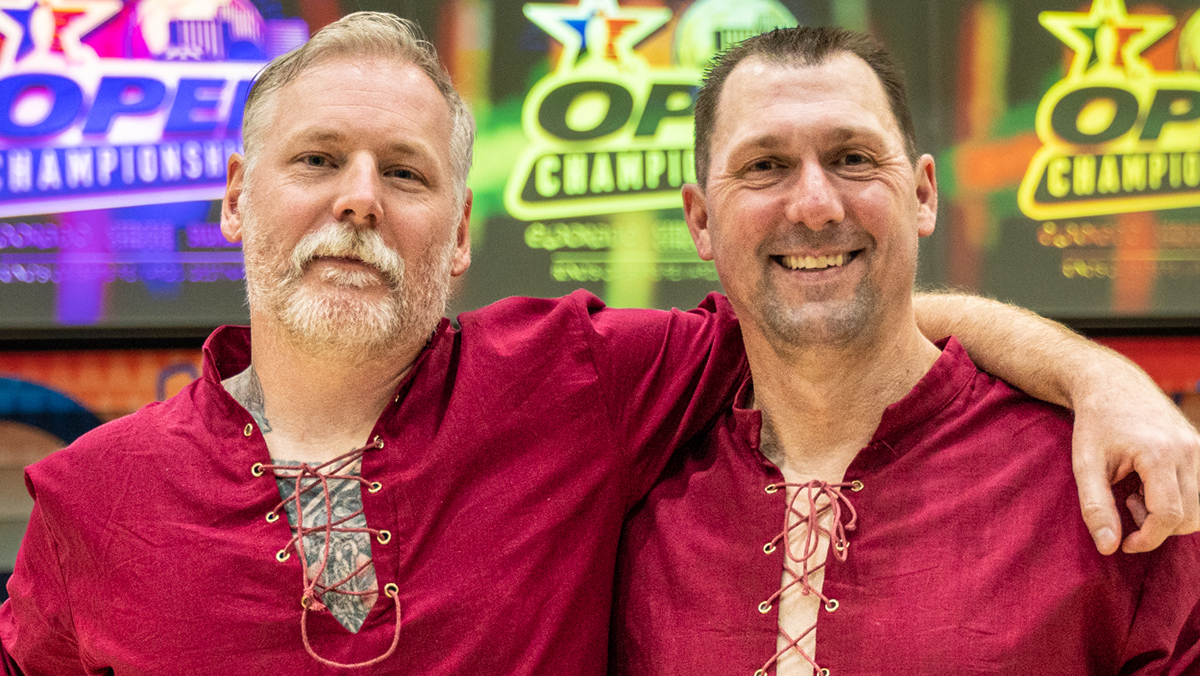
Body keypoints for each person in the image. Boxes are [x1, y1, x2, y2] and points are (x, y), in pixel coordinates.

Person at [0, 12, 1195, 676]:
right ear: (232, 198)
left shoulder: (573, 381)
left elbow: (825, 307)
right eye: (317, 160)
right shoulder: (91, 501)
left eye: (406, 173)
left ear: (462, 231)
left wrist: (1103, 379)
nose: (359, 200)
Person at [609, 26, 1200, 676]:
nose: (813, 206)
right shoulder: (627, 493)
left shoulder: (1103, 482)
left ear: (923, 194)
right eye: (764, 166)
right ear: (699, 220)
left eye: (854, 158)